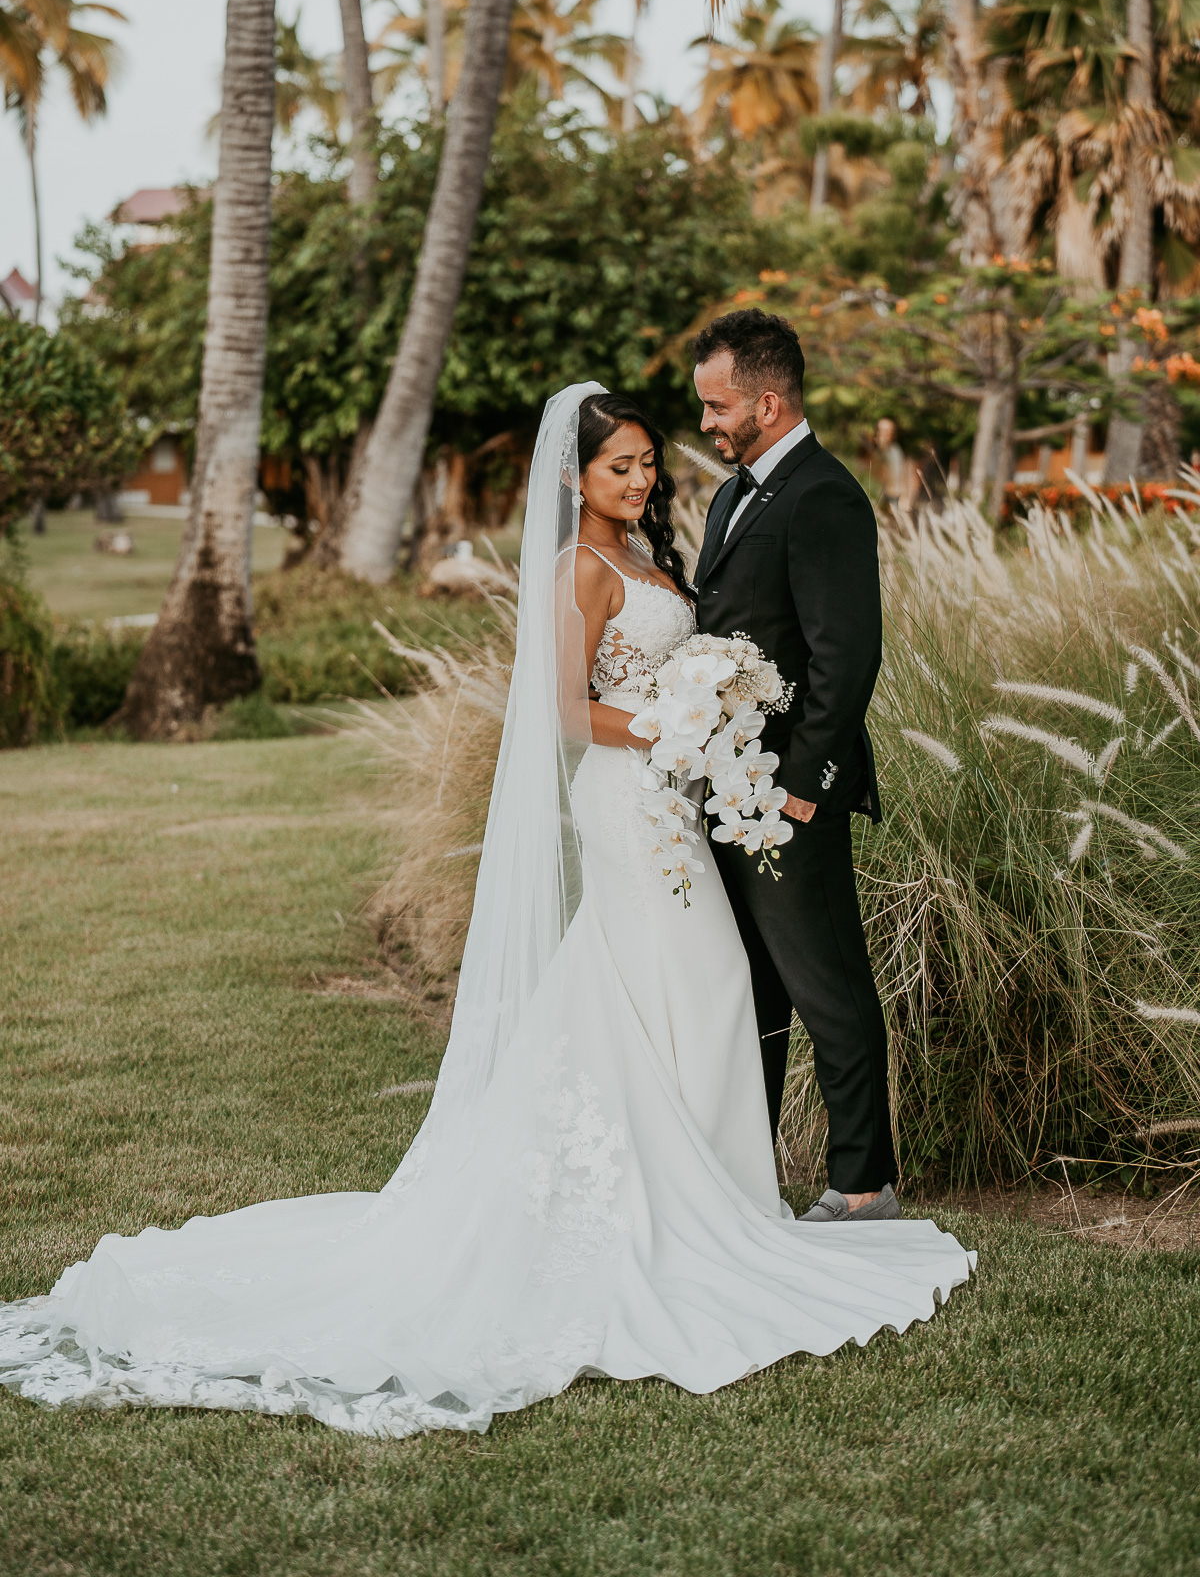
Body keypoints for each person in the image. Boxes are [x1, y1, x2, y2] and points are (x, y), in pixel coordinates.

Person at [0, 384, 972, 1440]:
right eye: (620, 468)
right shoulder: (577, 571)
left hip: (677, 799)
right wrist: (675, 724)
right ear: (574, 478)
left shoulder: (651, 560)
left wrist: (708, 711)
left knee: (689, 983)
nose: (642, 481)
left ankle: (713, 1198)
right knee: (696, 972)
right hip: (629, 800)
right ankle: (688, 1212)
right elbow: (563, 712)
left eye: (649, 462)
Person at [692, 310, 895, 1220]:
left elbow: (845, 656)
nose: (706, 422)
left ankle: (862, 1182)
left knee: (826, 982)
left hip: (784, 796)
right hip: (725, 786)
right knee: (752, 986)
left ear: (767, 403)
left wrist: (804, 786)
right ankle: (747, 1168)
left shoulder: (825, 496)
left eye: (717, 405)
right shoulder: (734, 496)